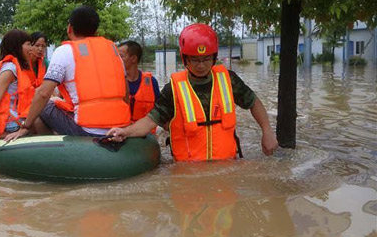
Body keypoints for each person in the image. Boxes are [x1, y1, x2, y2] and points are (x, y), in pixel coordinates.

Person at [108, 23, 278, 160]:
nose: (201, 65)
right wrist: (125, 131)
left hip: (226, 166)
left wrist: (267, 131)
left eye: (206, 59)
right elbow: (150, 121)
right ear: (185, 59)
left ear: (214, 57)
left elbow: (253, 102)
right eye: (195, 60)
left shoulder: (228, 79)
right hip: (188, 170)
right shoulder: (173, 88)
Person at [6, 5, 131, 140]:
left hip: (87, 129)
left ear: (69, 28)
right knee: (57, 101)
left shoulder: (65, 51)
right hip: (119, 128)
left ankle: (51, 148)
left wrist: (25, 126)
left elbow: (43, 94)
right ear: (96, 29)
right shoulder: (113, 51)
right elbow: (126, 93)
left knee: (45, 105)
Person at [0, 29, 35, 147]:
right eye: (28, 44)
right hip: (11, 124)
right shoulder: (10, 69)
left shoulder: (18, 67)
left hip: (15, 121)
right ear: (17, 46)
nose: (31, 48)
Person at [117, 41, 161, 124]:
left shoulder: (152, 82)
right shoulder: (115, 83)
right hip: (122, 133)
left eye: (121, 56)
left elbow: (160, 112)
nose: (117, 59)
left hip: (147, 135)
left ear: (133, 58)